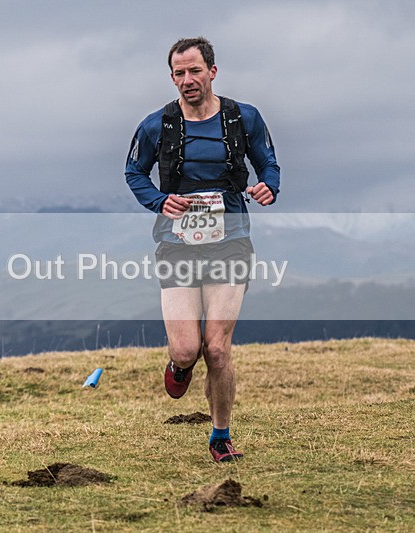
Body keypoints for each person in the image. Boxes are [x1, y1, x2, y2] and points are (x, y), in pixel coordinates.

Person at [125, 37, 280, 462]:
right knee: (187, 350)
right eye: (179, 73)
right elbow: (133, 173)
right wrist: (159, 200)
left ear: (213, 71)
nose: (187, 80)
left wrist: (270, 186)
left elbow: (268, 163)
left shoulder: (243, 118)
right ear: (172, 77)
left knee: (217, 348)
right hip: (177, 247)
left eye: (195, 71)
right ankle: (178, 367)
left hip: (230, 244)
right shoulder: (157, 125)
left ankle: (220, 435)